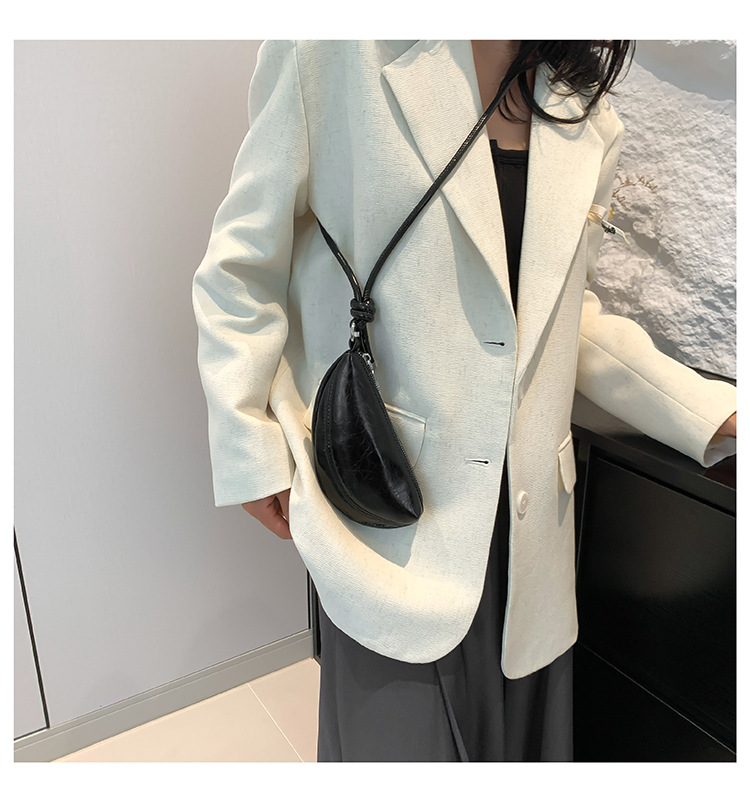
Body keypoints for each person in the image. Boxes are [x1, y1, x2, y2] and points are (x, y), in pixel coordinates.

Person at [191, 40, 737, 761]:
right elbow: (240, 271)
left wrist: (710, 411)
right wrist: (248, 445)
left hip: (529, 529)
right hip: (392, 507)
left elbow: (557, 318)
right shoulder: (332, 51)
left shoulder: (581, 107)